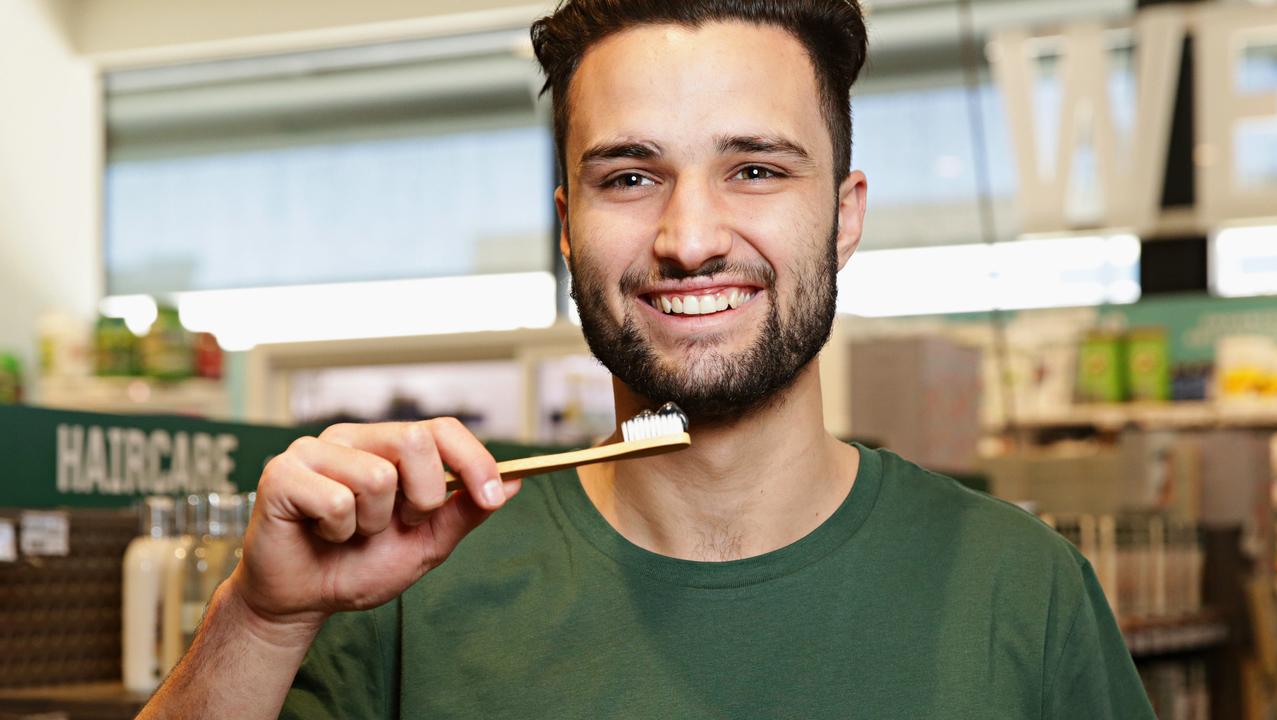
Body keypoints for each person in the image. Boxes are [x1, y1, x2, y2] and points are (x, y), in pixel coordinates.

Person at [138, 1, 1156, 717]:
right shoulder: (397, 588)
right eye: (630, 176)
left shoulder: (1019, 590)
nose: (689, 237)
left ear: (844, 217)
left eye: (754, 168)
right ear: (567, 228)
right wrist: (262, 622)